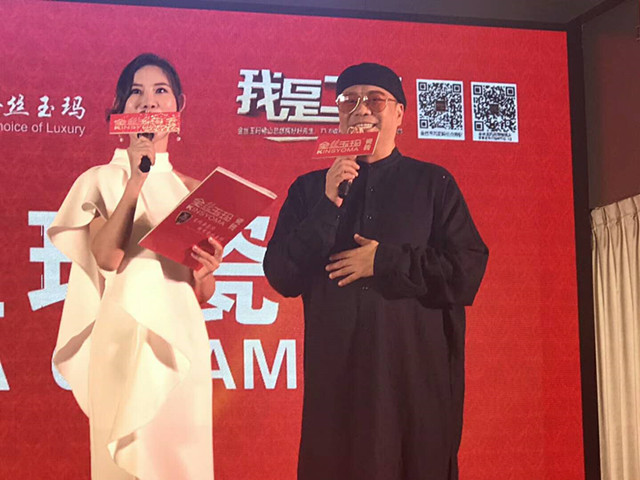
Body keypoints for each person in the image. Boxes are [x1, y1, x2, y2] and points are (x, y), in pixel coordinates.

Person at [263, 63, 489, 480]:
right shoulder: (310, 189)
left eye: (375, 99)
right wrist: (327, 205)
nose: (361, 109)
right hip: (338, 388)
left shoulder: (433, 183)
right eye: (348, 100)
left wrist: (383, 261)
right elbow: (280, 274)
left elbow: (467, 269)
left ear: (400, 114)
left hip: (413, 386)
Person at [48, 53, 219, 480]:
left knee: (182, 463)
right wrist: (134, 182)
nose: (148, 102)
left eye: (161, 91)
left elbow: (200, 292)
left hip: (182, 345)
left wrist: (206, 272)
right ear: (120, 108)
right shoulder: (99, 179)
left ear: (179, 105)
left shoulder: (194, 190)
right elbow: (107, 257)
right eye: (136, 93)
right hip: (121, 339)